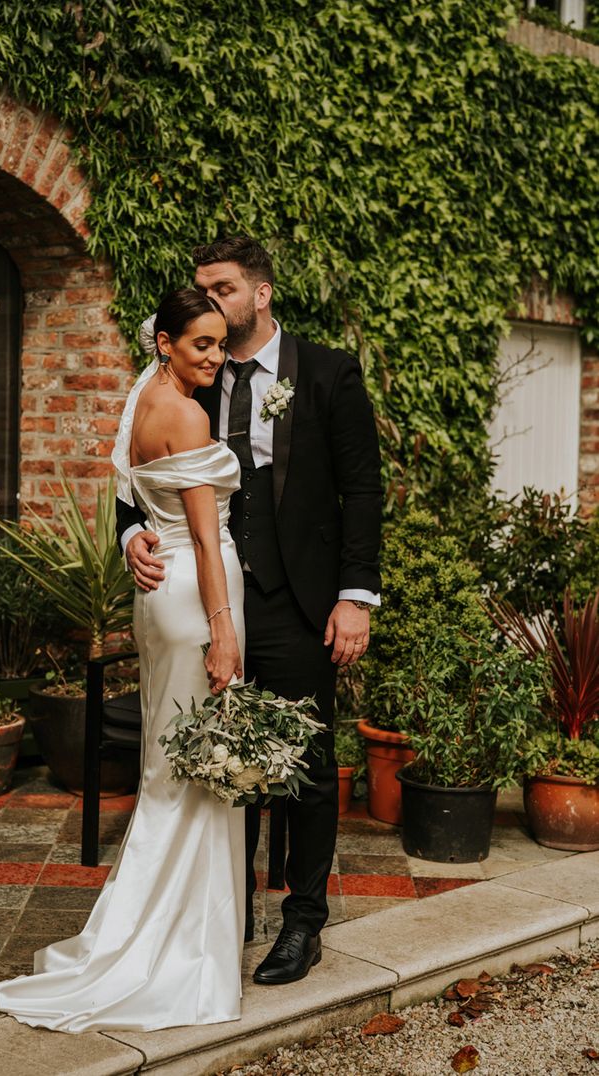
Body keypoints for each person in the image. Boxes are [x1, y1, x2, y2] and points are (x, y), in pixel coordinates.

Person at [0, 289, 248, 1032]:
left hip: (162, 600)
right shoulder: (187, 413)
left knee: (169, 763)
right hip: (194, 599)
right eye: (201, 346)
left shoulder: (142, 397)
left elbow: (130, 492)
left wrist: (133, 539)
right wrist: (224, 630)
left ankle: (154, 928)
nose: (214, 357)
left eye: (220, 344)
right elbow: (209, 541)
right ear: (166, 345)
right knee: (195, 767)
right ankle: (178, 947)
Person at [119, 236, 382, 987]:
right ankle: (223, 915)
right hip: (211, 600)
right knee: (216, 758)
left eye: (223, 288)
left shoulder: (327, 371)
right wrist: (133, 533)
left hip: (297, 599)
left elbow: (361, 489)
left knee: (304, 763)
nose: (211, 303)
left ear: (261, 294)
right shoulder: (187, 372)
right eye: (200, 289)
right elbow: (135, 475)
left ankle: (302, 922)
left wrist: (354, 596)